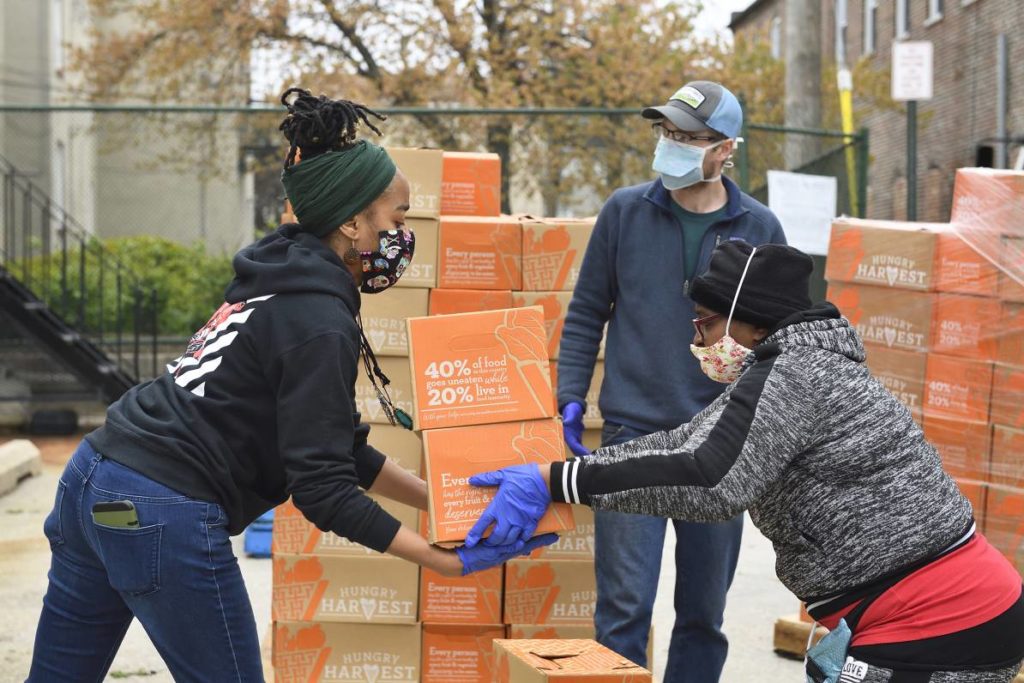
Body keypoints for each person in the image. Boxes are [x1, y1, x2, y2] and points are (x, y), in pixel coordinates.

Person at [26, 88, 551, 683]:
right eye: (399, 219)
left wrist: (448, 502)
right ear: (353, 223)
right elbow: (322, 490)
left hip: (93, 478)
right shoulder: (317, 321)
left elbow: (340, 451)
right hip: (159, 506)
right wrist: (441, 561)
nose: (403, 238)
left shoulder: (277, 278)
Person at [470, 240, 1024, 682]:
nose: (697, 338)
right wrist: (584, 468)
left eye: (706, 321)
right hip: (926, 610)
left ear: (752, 321)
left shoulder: (796, 375)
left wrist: (557, 480)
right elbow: (687, 442)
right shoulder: (788, 367)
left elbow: (711, 478)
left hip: (938, 617)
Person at [552, 80, 786, 680]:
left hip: (719, 444)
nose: (671, 146)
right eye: (667, 133)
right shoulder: (625, 212)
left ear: (725, 149)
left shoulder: (759, 227)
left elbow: (784, 339)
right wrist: (570, 397)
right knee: (622, 611)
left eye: (688, 138)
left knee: (703, 614)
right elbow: (586, 313)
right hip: (632, 436)